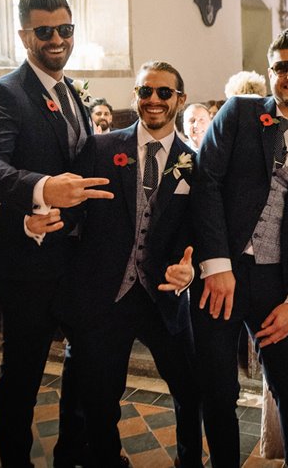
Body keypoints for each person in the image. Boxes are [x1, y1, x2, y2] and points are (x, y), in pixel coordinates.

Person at [0, 0, 113, 468]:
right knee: (23, 377)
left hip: (75, 261)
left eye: (65, 29)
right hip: (27, 261)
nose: (57, 40)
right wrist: (42, 189)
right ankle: (16, 463)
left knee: (84, 364)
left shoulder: (72, 92)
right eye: (45, 31)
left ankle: (70, 452)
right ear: (24, 34)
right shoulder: (6, 93)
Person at [190, 30, 288, 467]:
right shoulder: (240, 113)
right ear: (270, 73)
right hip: (221, 274)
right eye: (281, 67)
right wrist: (216, 264)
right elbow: (206, 181)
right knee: (218, 387)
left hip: (275, 282)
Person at [48, 62, 203, 467]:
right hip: (106, 296)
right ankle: (105, 459)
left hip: (164, 298)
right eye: (145, 91)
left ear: (180, 99)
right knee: (100, 396)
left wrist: (191, 269)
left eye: (164, 93)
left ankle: (189, 460)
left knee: (190, 389)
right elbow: (72, 216)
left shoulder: (195, 161)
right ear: (135, 96)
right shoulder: (100, 150)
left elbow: (199, 232)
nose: (153, 100)